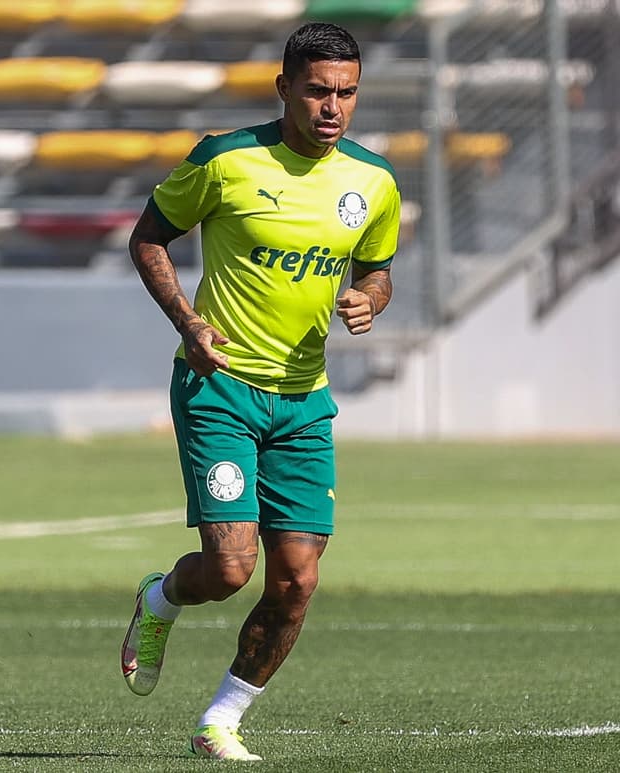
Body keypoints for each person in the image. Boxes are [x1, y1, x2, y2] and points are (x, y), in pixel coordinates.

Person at [121, 21, 401, 762]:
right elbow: (148, 237)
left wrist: (372, 295)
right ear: (284, 88)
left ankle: (221, 719)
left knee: (297, 581)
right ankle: (160, 600)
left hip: (304, 401)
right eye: (317, 91)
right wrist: (186, 319)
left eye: (346, 93)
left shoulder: (374, 181)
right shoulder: (226, 159)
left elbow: (377, 268)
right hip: (221, 387)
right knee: (229, 570)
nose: (332, 107)